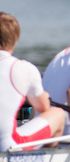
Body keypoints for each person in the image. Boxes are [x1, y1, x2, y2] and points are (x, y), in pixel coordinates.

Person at [0, 12, 65, 151]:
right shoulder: (24, 68)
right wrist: (43, 97)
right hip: (7, 146)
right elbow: (42, 107)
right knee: (58, 113)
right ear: (16, 38)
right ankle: (47, 159)